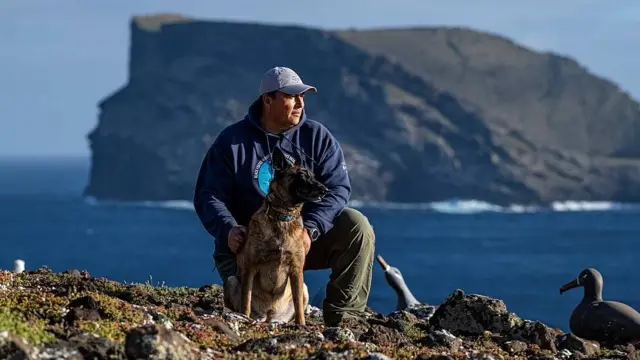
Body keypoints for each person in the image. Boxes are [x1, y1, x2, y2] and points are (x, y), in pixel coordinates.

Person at [193, 66, 375, 326]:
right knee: (252, 314)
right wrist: (228, 229)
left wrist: (310, 229)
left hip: (298, 241)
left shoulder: (317, 137)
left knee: (357, 226)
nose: (300, 103)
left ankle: (344, 318)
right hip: (247, 247)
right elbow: (208, 195)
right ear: (268, 100)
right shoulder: (232, 141)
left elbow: (337, 189)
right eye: (291, 96)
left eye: (302, 96)